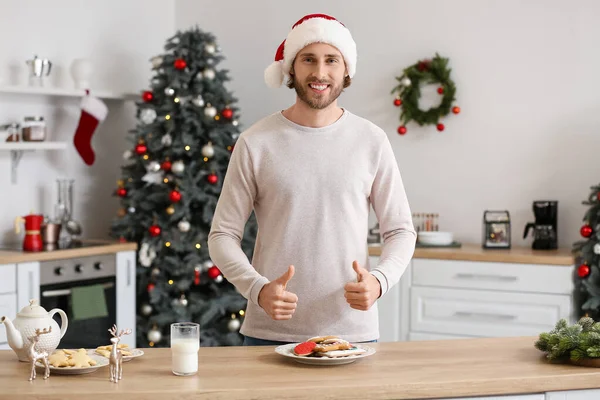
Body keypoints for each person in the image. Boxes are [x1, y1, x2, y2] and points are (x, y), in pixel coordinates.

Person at [208, 13, 416, 346]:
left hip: (352, 337)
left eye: (331, 60)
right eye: (309, 59)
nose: (319, 73)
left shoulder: (371, 141)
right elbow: (222, 235)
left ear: (346, 69)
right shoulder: (255, 142)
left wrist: (379, 282)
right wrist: (257, 289)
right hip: (268, 336)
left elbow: (401, 230)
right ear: (291, 68)